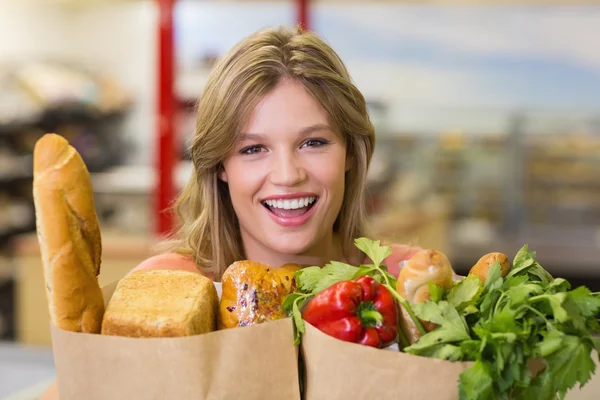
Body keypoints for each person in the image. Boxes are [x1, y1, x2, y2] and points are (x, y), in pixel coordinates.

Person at [40, 25, 420, 400]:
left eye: (313, 142)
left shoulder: (409, 284)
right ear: (220, 165)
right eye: (253, 149)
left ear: (351, 153)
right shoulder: (165, 290)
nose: (288, 176)